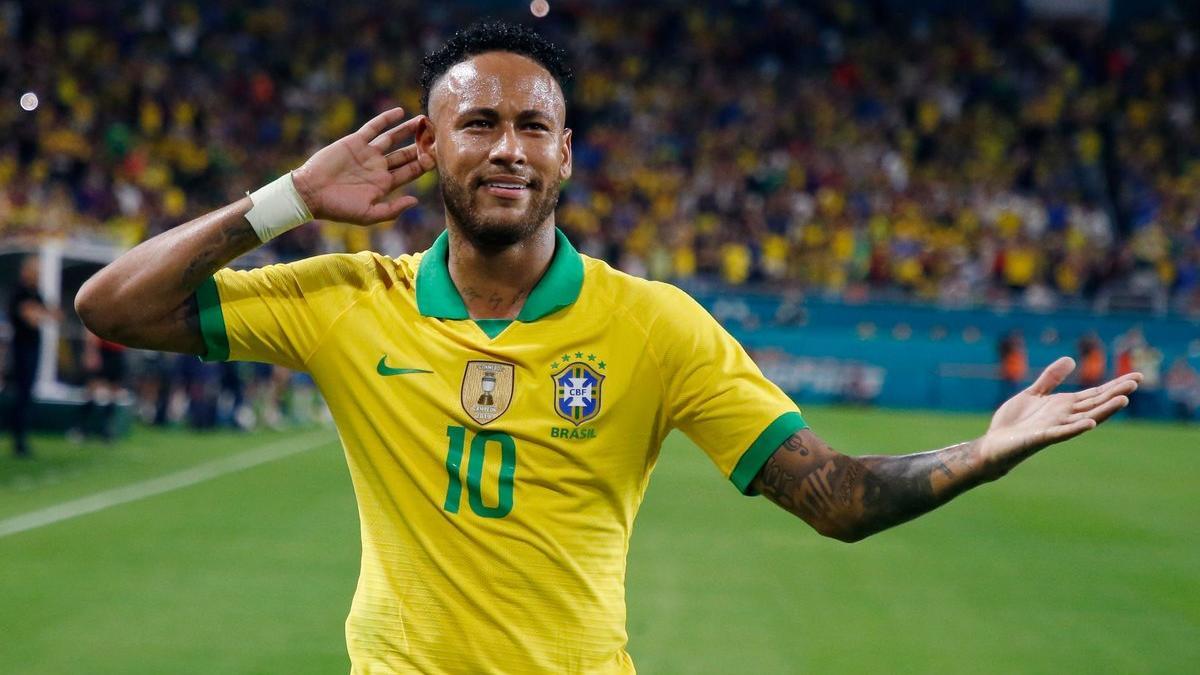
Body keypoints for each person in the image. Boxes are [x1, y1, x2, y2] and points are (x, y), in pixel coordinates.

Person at [74, 21, 1142, 674]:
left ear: (567, 153)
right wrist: (287, 201)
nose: (506, 147)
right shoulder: (352, 298)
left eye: (532, 126)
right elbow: (112, 307)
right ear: (430, 147)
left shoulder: (654, 323)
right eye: (478, 122)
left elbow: (840, 500)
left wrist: (983, 450)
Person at [5, 255, 60, 458]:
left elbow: (52, 314)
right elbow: (32, 318)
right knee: (20, 393)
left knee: (26, 394)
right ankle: (18, 439)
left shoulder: (35, 293)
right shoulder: (19, 291)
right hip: (21, 348)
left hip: (32, 348)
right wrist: (39, 314)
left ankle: (22, 438)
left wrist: (39, 313)